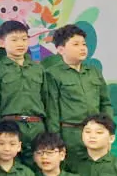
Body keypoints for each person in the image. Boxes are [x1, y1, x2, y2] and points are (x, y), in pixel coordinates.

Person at [45, 24, 112, 164]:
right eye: (76, 44)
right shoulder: (53, 74)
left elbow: (105, 103)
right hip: (70, 136)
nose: (82, 48)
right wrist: (56, 141)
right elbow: (52, 111)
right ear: (60, 49)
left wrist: (108, 130)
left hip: (96, 134)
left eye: (84, 44)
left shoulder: (94, 72)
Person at [0, 20, 49, 161]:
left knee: (39, 166)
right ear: (2, 43)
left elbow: (47, 101)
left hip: (37, 127)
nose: (20, 44)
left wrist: (50, 131)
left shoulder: (38, 69)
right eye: (14, 40)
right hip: (10, 128)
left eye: (24, 39)